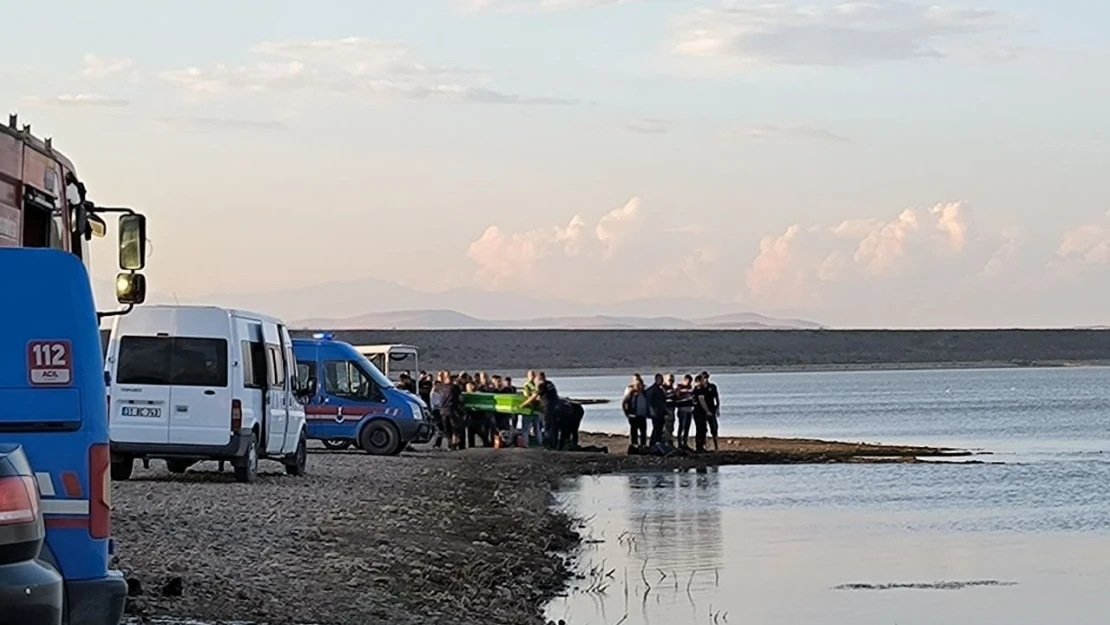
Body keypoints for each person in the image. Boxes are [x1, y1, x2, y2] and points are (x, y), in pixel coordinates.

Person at [522, 371, 561, 450]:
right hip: (555, 407)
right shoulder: (550, 383)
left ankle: (549, 445)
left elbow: (534, 396)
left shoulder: (541, 385)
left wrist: (523, 405)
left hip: (547, 408)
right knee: (552, 427)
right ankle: (554, 444)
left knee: (546, 427)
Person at [439, 371, 466, 451]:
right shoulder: (455, 387)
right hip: (452, 410)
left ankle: (449, 444)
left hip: (443, 410)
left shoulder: (443, 387)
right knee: (455, 428)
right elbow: (460, 398)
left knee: (447, 429)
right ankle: (454, 444)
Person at [621, 376, 649, 452]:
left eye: (640, 385)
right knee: (634, 432)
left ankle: (643, 446)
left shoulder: (645, 393)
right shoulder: (631, 393)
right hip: (634, 416)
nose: (639, 387)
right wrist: (627, 413)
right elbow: (624, 403)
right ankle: (634, 447)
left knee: (643, 432)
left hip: (642, 415)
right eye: (638, 385)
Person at [645, 373, 668, 447]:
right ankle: (654, 443)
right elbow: (650, 402)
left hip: (660, 412)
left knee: (658, 428)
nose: (662, 381)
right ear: (657, 379)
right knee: (657, 428)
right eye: (661, 379)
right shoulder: (653, 390)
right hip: (656, 412)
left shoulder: (659, 389)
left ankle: (655, 442)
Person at [520, 370, 542, 446]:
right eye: (531, 375)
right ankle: (531, 443)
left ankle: (528, 444)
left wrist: (523, 405)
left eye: (533, 375)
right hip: (533, 409)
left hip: (531, 410)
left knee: (532, 429)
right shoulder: (530, 385)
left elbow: (527, 397)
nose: (532, 377)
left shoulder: (533, 385)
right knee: (533, 429)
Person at [701, 370, 720, 451]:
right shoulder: (700, 388)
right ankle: (704, 445)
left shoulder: (712, 386)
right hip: (702, 411)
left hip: (712, 409)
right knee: (703, 428)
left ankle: (716, 446)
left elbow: (717, 398)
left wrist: (718, 408)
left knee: (714, 427)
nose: (705, 379)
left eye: (707, 377)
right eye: (704, 378)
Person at [692, 374, 712, 453]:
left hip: (698, 411)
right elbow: (701, 400)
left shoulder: (695, 389)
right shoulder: (699, 389)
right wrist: (707, 411)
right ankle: (699, 446)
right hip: (699, 412)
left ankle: (700, 446)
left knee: (702, 429)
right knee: (700, 429)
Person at [674, 374, 695, 450]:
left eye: (690, 382)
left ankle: (685, 443)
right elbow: (676, 397)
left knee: (687, 427)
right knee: (681, 426)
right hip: (682, 410)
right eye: (688, 381)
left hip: (689, 410)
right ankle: (680, 443)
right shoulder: (679, 387)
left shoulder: (690, 388)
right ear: (684, 380)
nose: (689, 383)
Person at [662, 373, 677, 445]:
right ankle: (665, 442)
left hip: (672, 409)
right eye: (670, 380)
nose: (671, 382)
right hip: (665, 410)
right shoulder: (662, 389)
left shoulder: (672, 389)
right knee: (665, 427)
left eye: (672, 380)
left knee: (671, 427)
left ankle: (669, 441)